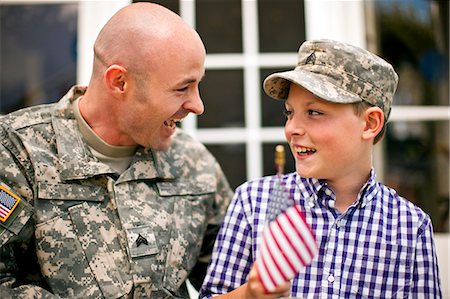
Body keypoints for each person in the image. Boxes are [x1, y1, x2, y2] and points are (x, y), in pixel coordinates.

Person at [0, 2, 233, 298]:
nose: (197, 106)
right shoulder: (17, 151)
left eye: (198, 85)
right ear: (119, 82)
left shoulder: (192, 162)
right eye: (181, 88)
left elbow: (230, 279)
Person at [200, 39, 442, 298]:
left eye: (314, 112)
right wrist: (250, 294)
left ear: (370, 123)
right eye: (289, 112)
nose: (291, 128)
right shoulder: (253, 202)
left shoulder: (409, 226)